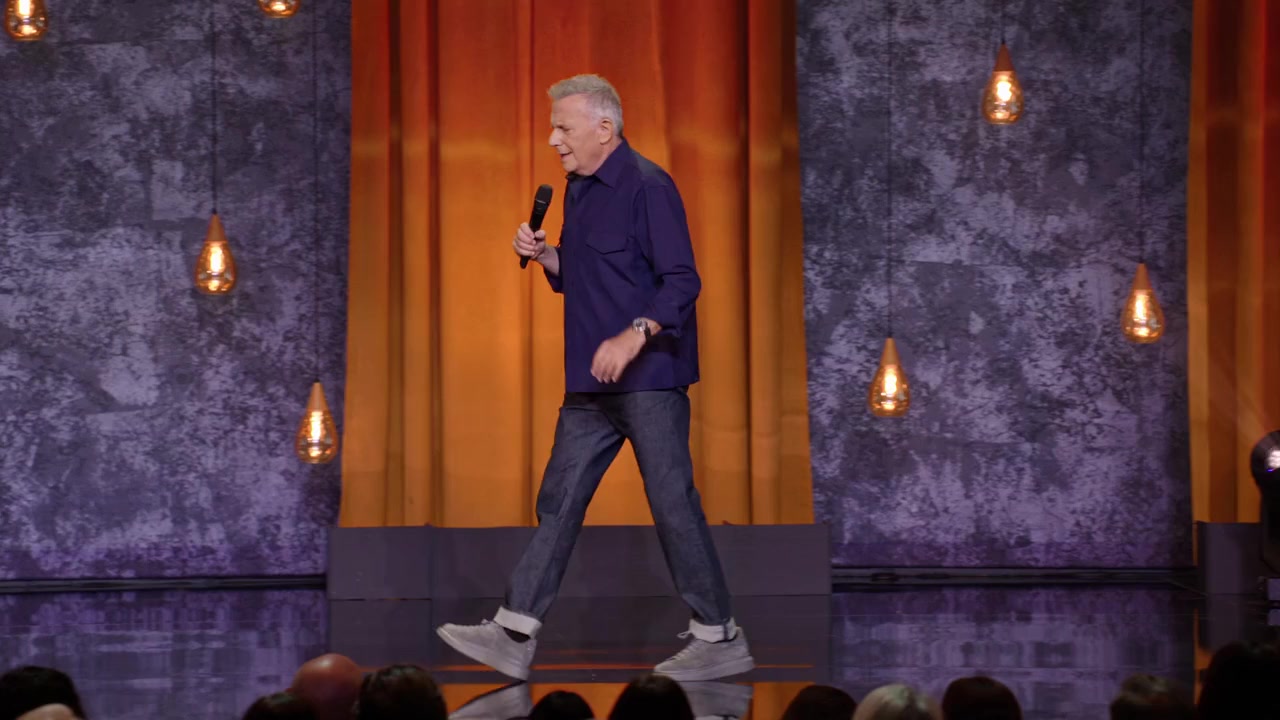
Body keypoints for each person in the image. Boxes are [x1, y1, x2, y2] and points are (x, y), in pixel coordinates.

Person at [435, 73, 753, 683]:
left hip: (650, 379)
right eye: (553, 127)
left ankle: (719, 636)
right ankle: (513, 632)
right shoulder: (577, 188)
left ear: (604, 129)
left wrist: (635, 334)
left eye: (563, 127)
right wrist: (546, 256)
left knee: (672, 505)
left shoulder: (649, 186)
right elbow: (583, 275)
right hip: (590, 383)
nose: (552, 139)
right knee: (559, 501)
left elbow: (682, 281)